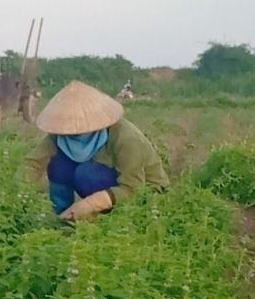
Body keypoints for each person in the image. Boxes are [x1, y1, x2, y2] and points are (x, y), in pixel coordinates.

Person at [25, 80, 169, 221]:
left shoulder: (126, 138)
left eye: (78, 130)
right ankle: (64, 216)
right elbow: (33, 163)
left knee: (87, 173)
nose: (71, 134)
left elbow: (133, 188)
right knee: (59, 163)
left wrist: (89, 204)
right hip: (102, 179)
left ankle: (109, 217)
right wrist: (15, 192)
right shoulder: (61, 136)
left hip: (144, 192)